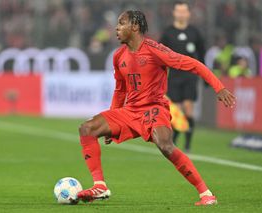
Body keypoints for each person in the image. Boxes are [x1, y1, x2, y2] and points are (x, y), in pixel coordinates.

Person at [76, 10, 236, 206]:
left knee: (166, 146)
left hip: (154, 108)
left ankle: (206, 193)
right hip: (129, 111)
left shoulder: (154, 50)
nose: (116, 28)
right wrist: (112, 119)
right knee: (87, 128)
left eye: (121, 23)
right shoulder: (118, 56)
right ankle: (99, 185)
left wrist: (219, 88)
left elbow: (193, 64)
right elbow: (120, 90)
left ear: (135, 26)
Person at [159, 1, 205, 151]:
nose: (181, 14)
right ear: (174, 13)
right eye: (178, 11)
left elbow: (202, 55)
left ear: (188, 14)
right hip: (174, 76)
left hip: (190, 76)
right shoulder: (167, 33)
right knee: (176, 111)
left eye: (184, 11)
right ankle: (175, 141)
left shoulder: (195, 32)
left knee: (188, 108)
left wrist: (205, 76)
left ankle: (187, 145)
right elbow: (158, 55)